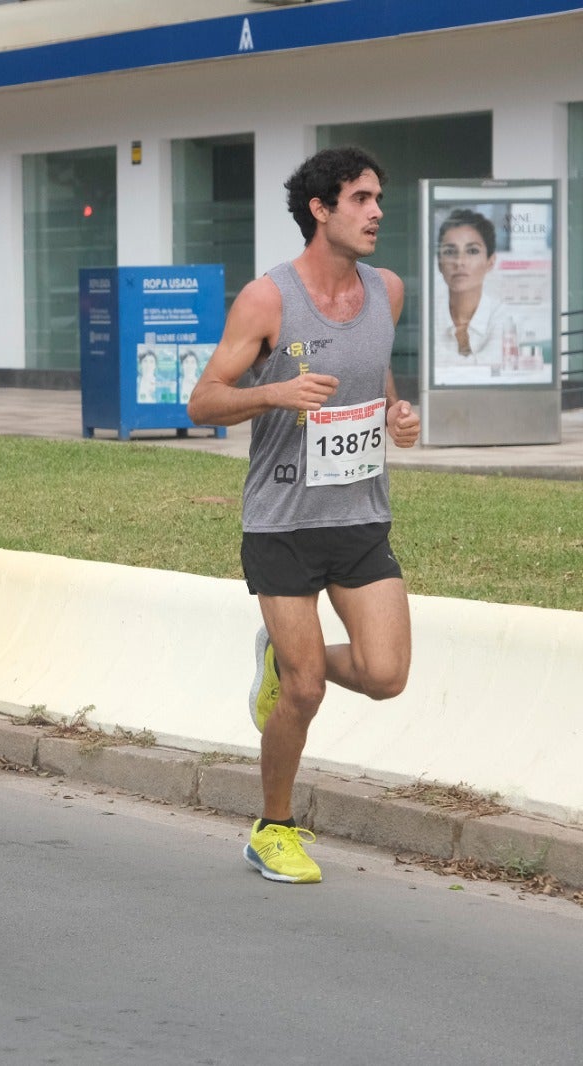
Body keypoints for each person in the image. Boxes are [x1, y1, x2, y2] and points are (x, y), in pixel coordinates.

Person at [185, 146, 420, 885]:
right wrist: (271, 394)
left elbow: (371, 365)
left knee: (385, 675)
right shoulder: (268, 300)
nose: (376, 210)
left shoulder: (388, 289)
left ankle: (278, 663)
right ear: (321, 211)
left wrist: (393, 412)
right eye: (360, 198)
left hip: (359, 514)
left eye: (377, 197)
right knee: (308, 688)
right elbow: (202, 400)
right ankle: (273, 828)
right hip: (282, 520)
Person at [432, 208, 515, 371]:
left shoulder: (504, 316)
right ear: (440, 264)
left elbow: (494, 367)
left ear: (490, 262)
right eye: (450, 251)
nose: (460, 262)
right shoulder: (429, 316)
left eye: (472, 251)